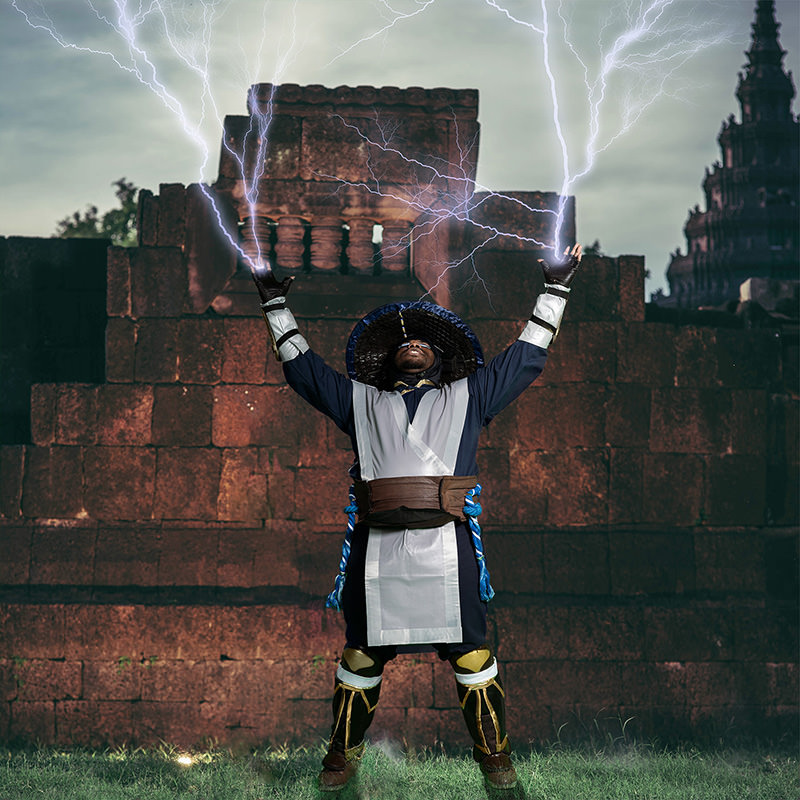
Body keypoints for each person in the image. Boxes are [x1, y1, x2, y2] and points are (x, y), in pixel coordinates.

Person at [252, 244, 582, 791]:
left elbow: (527, 356)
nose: (412, 344)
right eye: (403, 341)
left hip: (446, 546)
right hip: (377, 548)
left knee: (474, 657)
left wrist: (555, 288)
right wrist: (274, 305)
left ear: (440, 357)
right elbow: (304, 372)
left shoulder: (471, 395)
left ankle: (500, 773)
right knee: (360, 657)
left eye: (422, 341)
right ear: (388, 359)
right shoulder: (358, 400)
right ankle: (337, 773)